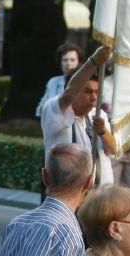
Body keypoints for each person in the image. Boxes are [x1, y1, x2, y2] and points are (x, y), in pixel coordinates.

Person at [41, 46, 116, 187]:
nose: (94, 97)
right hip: (69, 197)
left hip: (99, 196)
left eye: (96, 92)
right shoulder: (53, 109)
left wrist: (102, 132)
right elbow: (69, 93)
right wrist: (93, 62)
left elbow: (113, 150)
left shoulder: (98, 114)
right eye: (87, 91)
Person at [36, 43, 84, 118]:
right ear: (60, 62)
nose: (68, 63)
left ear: (78, 62)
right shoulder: (53, 82)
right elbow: (40, 109)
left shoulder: (85, 82)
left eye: (72, 60)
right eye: (65, 60)